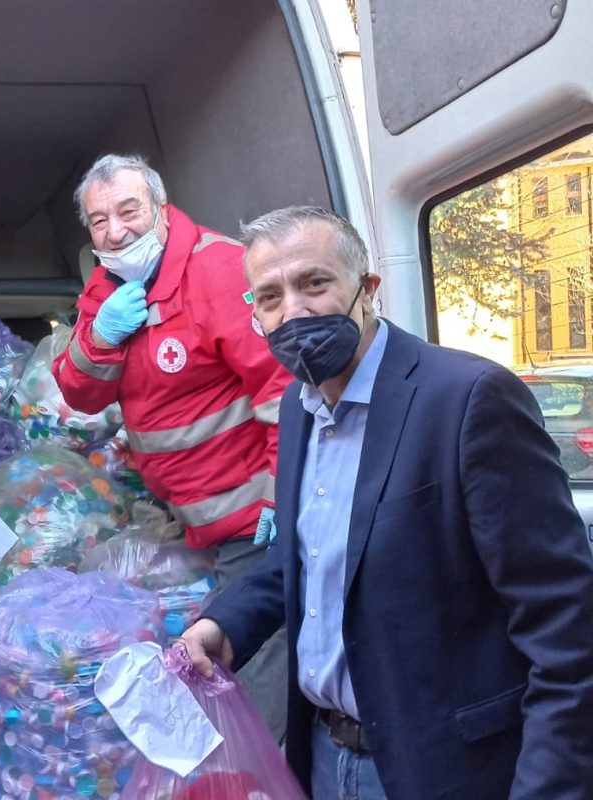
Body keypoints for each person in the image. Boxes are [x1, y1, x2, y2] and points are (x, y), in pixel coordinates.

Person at [182, 206, 593, 799]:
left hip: (443, 768)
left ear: (369, 289)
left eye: (314, 283)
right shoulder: (299, 409)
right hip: (324, 757)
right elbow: (307, 554)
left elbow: (566, 629)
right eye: (269, 297)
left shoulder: (468, 399)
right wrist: (225, 623)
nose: (292, 311)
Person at [52, 153, 292, 739]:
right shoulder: (106, 286)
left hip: (249, 514)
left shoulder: (218, 270)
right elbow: (78, 392)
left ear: (160, 210)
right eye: (99, 220)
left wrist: (284, 494)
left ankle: (266, 778)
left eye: (129, 211)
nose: (116, 231)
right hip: (192, 517)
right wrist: (101, 336)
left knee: (257, 662)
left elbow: (283, 385)